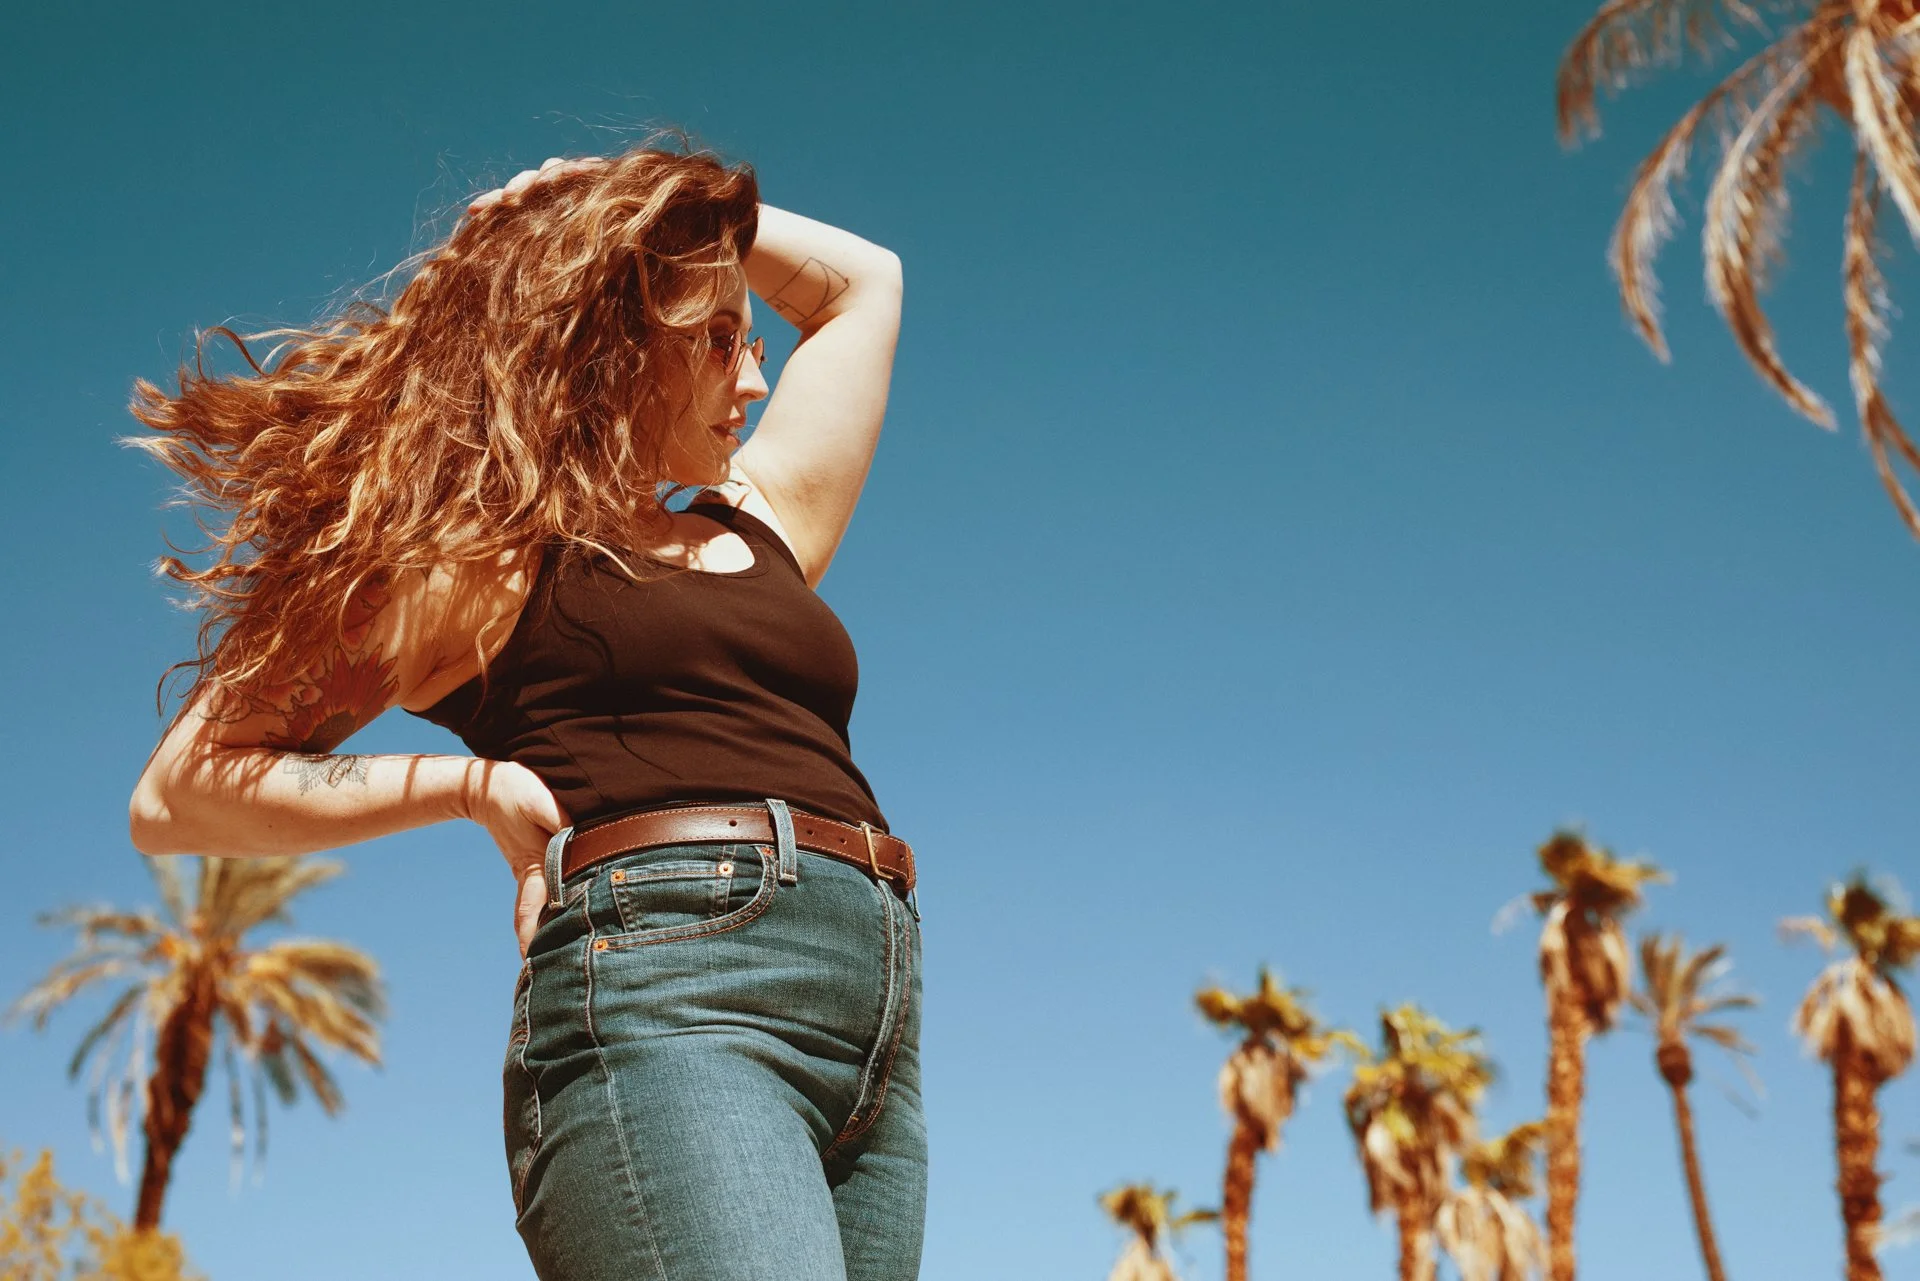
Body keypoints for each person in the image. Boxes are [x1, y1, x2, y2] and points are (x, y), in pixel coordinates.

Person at [125, 144, 923, 1281]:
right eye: (714, 339)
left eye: (752, 341)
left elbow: (864, 283)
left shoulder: (761, 525)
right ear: (609, 338)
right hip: (667, 997)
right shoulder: (467, 565)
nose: (751, 380)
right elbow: (180, 790)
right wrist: (464, 785)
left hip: (876, 1012)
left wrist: (630, 205)